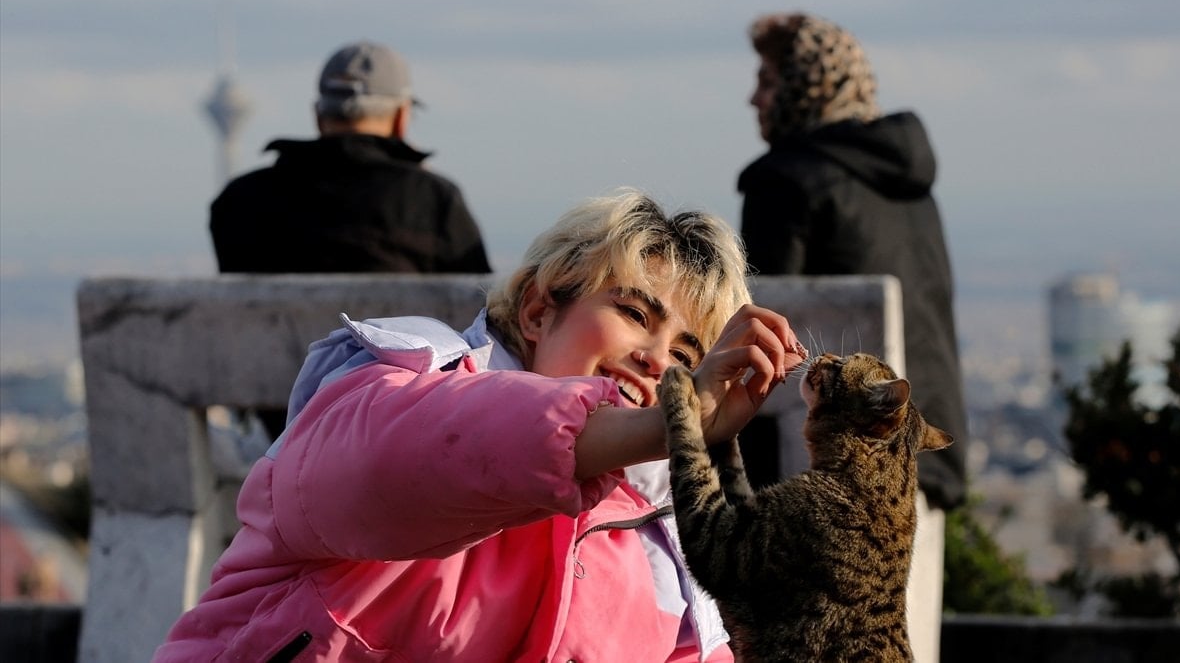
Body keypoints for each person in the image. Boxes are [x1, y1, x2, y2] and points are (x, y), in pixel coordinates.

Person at [153, 189, 808, 662]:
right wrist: (665, 425)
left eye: (688, 356)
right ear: (537, 310)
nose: (658, 361)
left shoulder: (666, 543)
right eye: (636, 314)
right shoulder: (405, 375)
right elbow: (400, 462)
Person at [736, 12, 968, 663]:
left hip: (822, 476)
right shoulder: (913, 190)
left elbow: (763, 339)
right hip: (919, 463)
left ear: (803, 86)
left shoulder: (785, 181)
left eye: (768, 80)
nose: (754, 98)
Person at [209, 40, 492, 275]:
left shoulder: (239, 200)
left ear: (318, 116)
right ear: (401, 118)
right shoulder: (432, 199)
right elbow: (479, 303)